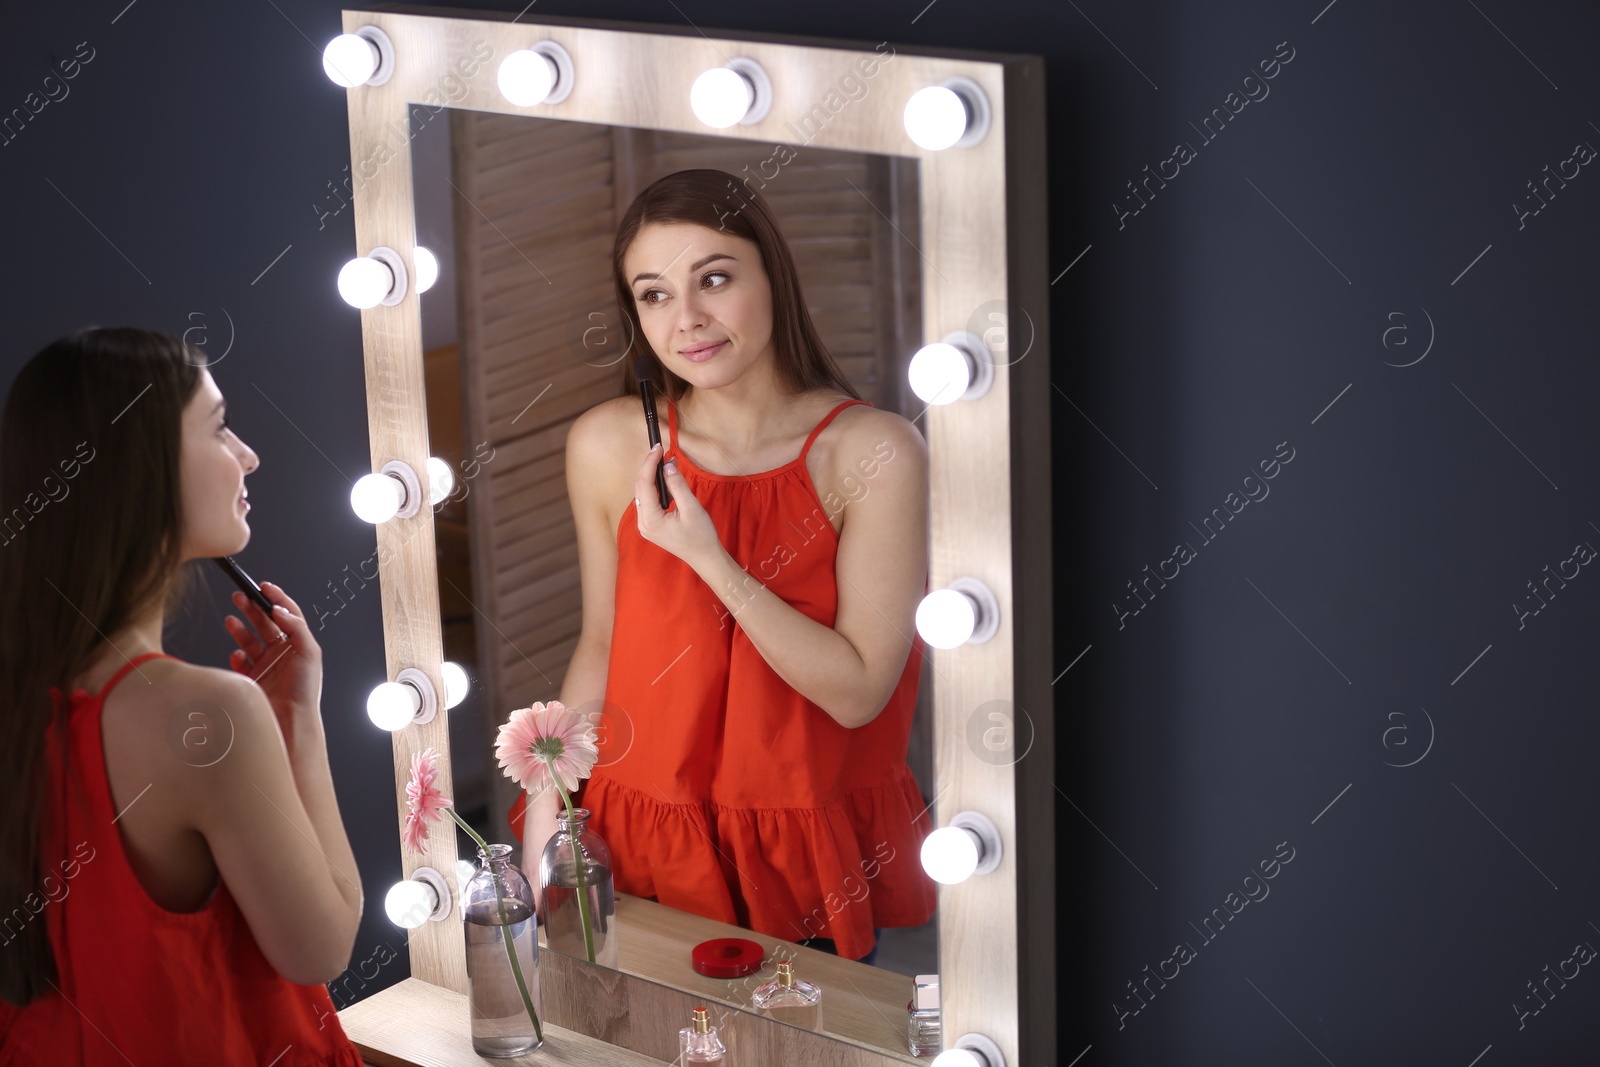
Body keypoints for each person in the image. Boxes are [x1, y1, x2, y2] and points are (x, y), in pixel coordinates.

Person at [509, 170, 937, 963]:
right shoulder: (607, 443)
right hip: (638, 839)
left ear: (771, 273)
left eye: (713, 278)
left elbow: (857, 692)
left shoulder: (873, 452)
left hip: (798, 857)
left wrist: (708, 555)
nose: (688, 319)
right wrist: (548, 812)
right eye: (654, 294)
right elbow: (600, 644)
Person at [0, 328, 365, 1064]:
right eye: (220, 427)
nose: (248, 455)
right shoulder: (209, 715)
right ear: (140, 470)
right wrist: (298, 716)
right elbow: (321, 944)